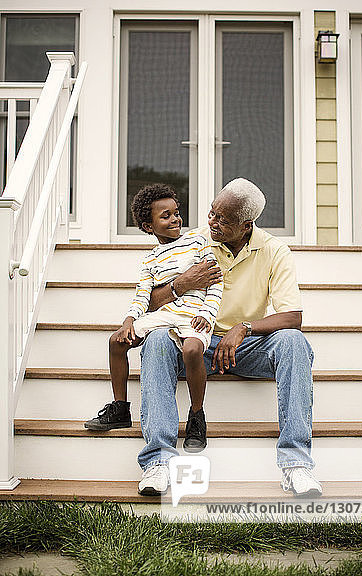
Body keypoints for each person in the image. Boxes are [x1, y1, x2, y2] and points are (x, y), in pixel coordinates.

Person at [134, 178, 322, 498]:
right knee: (155, 341)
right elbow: (149, 302)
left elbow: (293, 317)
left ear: (246, 224)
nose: (212, 222)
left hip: (247, 347)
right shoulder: (194, 241)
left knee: (293, 342)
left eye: (223, 219)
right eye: (211, 213)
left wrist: (244, 328)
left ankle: (296, 464)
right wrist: (181, 284)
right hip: (196, 341)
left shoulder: (275, 250)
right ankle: (158, 461)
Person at [84, 184, 223, 463]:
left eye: (176, 213)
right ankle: (121, 408)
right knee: (115, 341)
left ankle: (196, 414)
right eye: (166, 216)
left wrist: (208, 315)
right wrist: (128, 321)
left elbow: (216, 283)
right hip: (163, 317)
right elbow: (142, 296)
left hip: (194, 314)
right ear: (149, 226)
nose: (175, 220)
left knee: (193, 351)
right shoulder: (149, 259)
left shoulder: (198, 243)